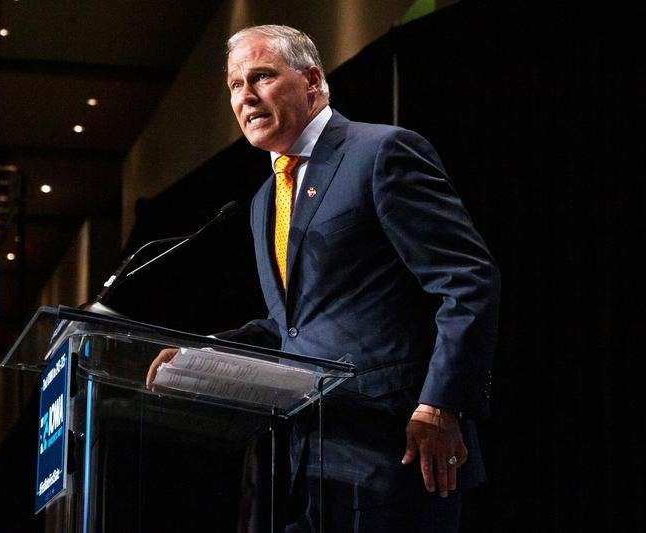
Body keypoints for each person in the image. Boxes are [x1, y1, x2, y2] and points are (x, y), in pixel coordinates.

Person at [148, 24, 500, 532]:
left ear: (312, 80)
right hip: (314, 458)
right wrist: (202, 355)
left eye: (261, 77)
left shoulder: (381, 153)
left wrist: (440, 405)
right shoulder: (263, 201)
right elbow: (290, 327)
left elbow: (468, 281)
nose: (244, 96)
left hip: (400, 447)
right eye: (234, 85)